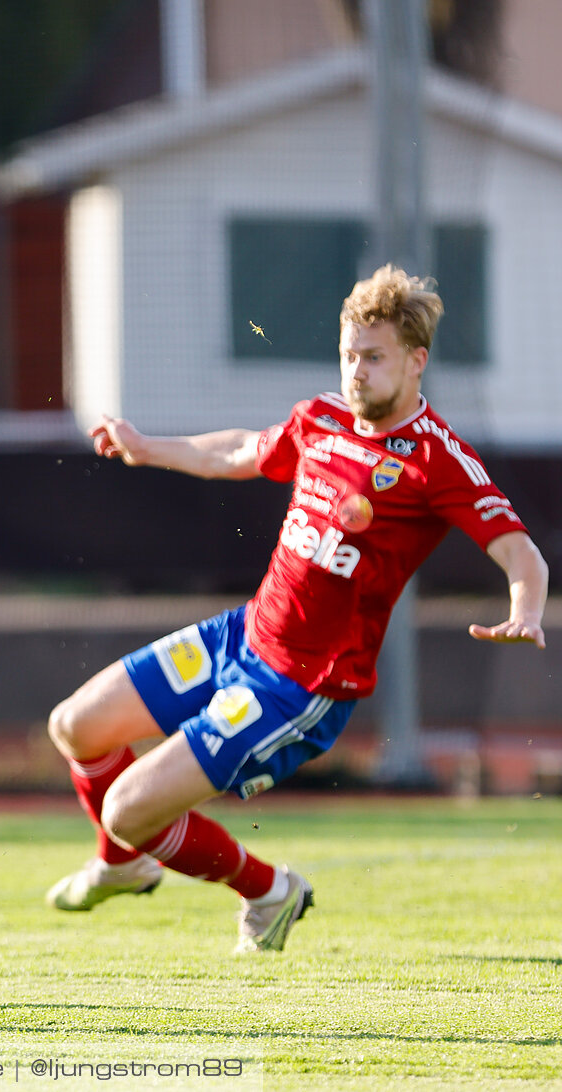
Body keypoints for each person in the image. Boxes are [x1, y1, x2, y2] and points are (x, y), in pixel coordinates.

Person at [45, 265, 547, 951]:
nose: (356, 372)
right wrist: (147, 447)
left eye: (373, 358)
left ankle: (269, 890)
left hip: (300, 688)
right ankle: (122, 863)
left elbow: (522, 553)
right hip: (242, 636)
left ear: (415, 361)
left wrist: (526, 609)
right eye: (348, 354)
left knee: (131, 808)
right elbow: (237, 451)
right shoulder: (322, 418)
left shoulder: (439, 462)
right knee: (75, 727)